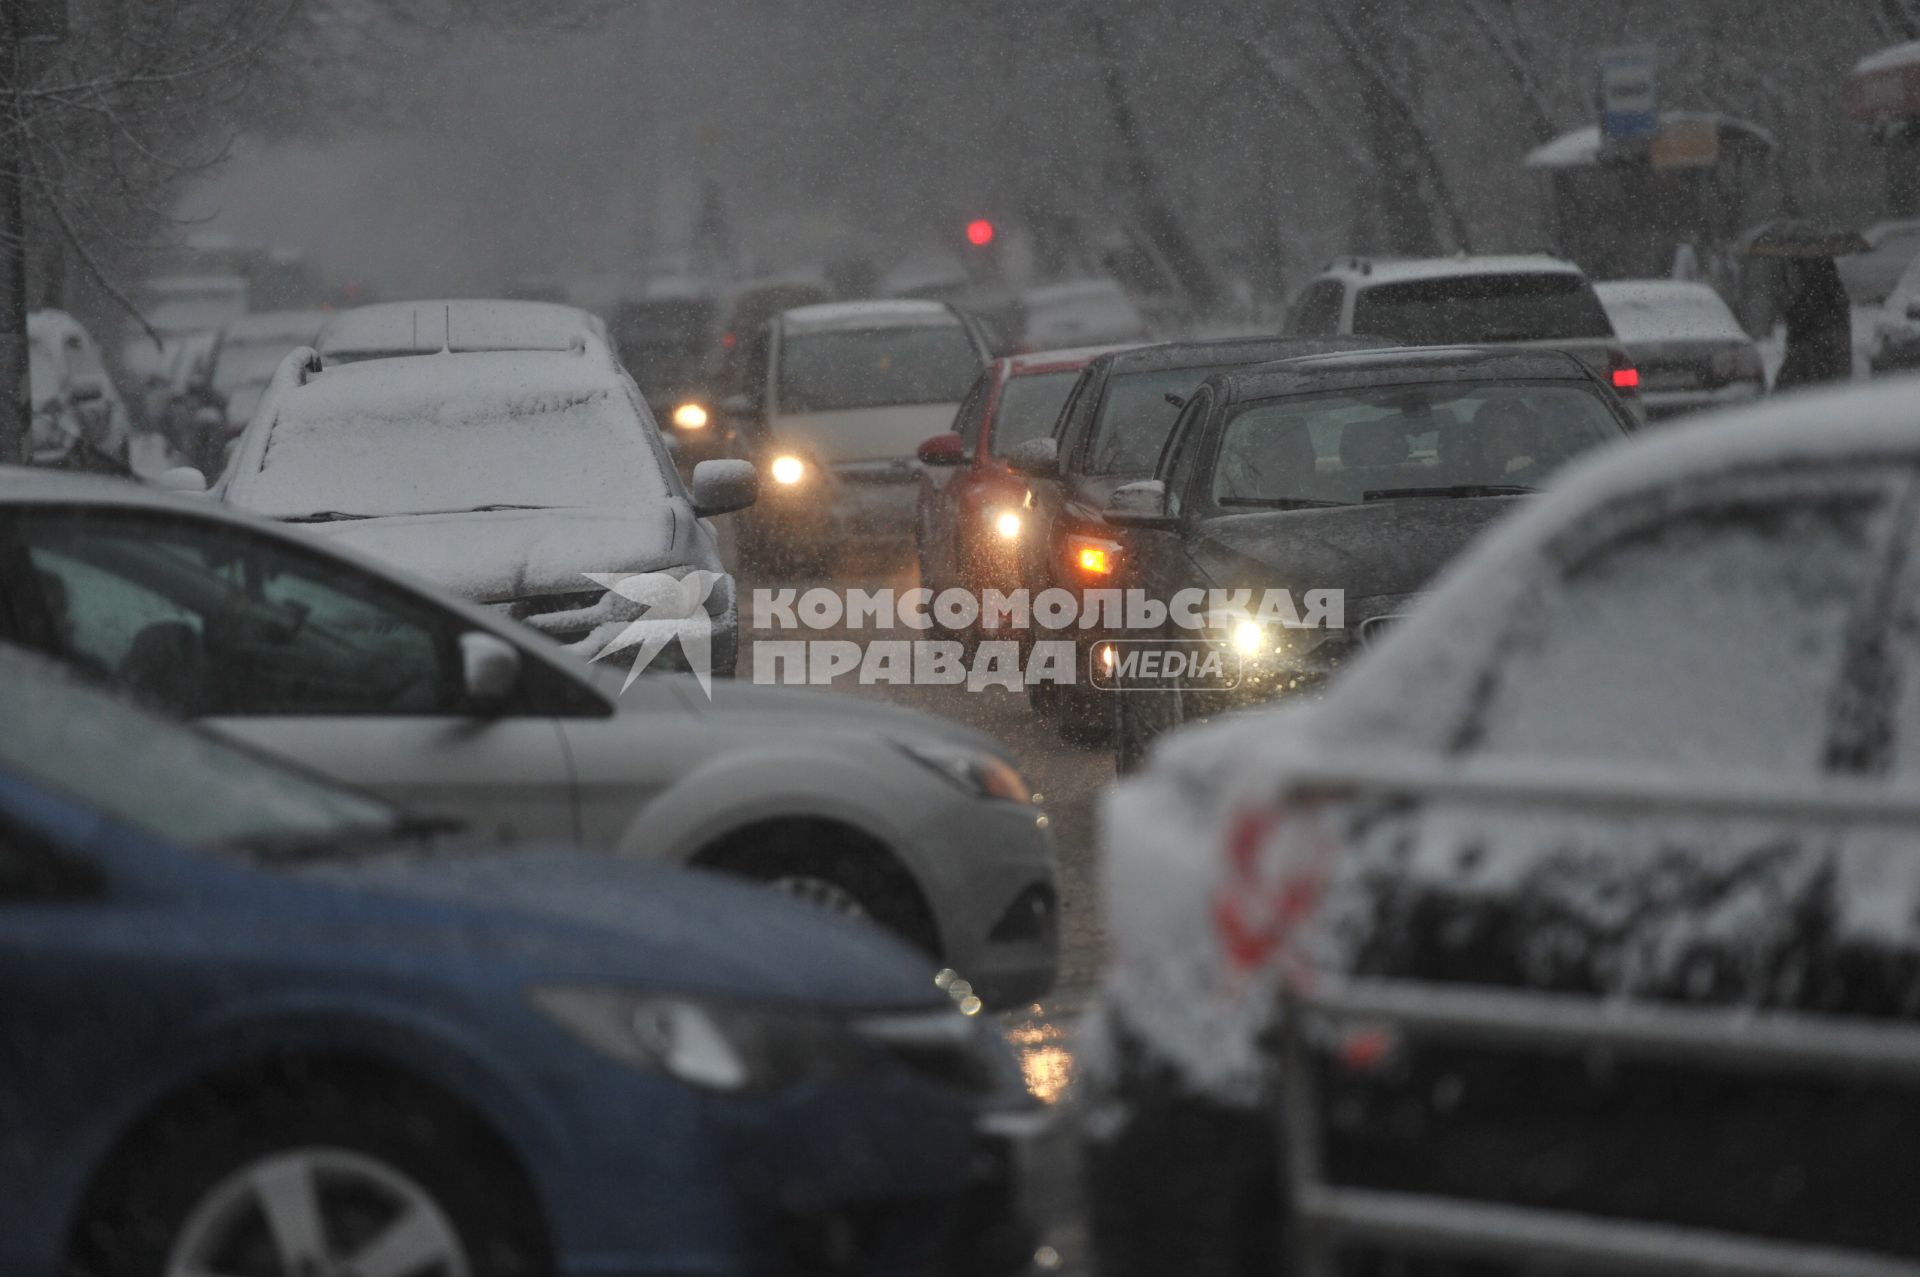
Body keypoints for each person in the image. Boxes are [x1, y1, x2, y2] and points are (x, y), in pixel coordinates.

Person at [1774, 257, 1852, 390]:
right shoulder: (1833, 289)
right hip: (1831, 358)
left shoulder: (1811, 293)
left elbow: (1801, 322)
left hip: (1815, 355)